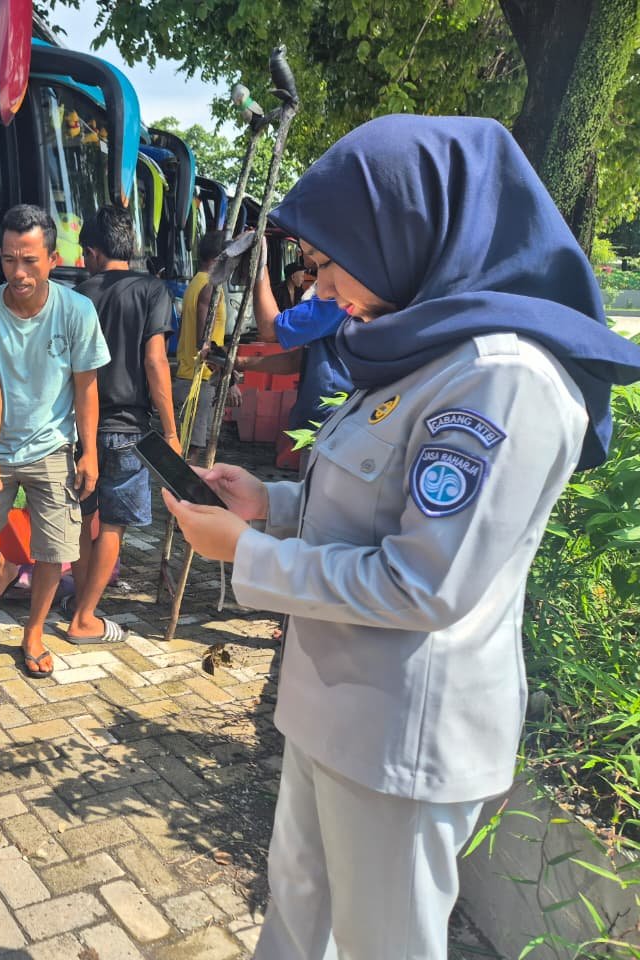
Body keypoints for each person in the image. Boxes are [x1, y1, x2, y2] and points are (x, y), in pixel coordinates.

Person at [161, 115, 640, 959]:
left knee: (383, 943)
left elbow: (424, 583)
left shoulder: (501, 377)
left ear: (404, 231)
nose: (318, 285)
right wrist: (268, 504)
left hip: (402, 734)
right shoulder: (422, 346)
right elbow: (372, 502)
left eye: (328, 258)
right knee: (297, 904)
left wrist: (244, 554)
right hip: (336, 708)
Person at [0, 203, 110, 679]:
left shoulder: (76, 310)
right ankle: (0, 573)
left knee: (53, 550)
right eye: (8, 259)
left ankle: (33, 632)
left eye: (29, 260)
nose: (17, 272)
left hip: (55, 447)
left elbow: (86, 386)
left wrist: (91, 452)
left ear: (53, 259)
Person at [61, 205, 178, 644]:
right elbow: (154, 362)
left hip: (79, 427)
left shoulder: (76, 295)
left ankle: (78, 603)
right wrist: (170, 431)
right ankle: (85, 618)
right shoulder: (152, 290)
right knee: (113, 525)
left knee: (82, 518)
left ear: (92, 251)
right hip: (129, 428)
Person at [239, 246, 353, 464]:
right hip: (324, 423)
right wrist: (239, 362)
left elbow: (271, 330)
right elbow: (299, 359)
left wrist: (260, 267)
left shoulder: (339, 299)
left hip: (329, 423)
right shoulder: (338, 298)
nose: (305, 261)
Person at [173, 232, 242, 462]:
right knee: (190, 454)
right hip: (198, 380)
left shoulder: (196, 282)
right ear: (220, 257)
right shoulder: (209, 288)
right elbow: (204, 343)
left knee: (189, 450)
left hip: (193, 377)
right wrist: (228, 379)